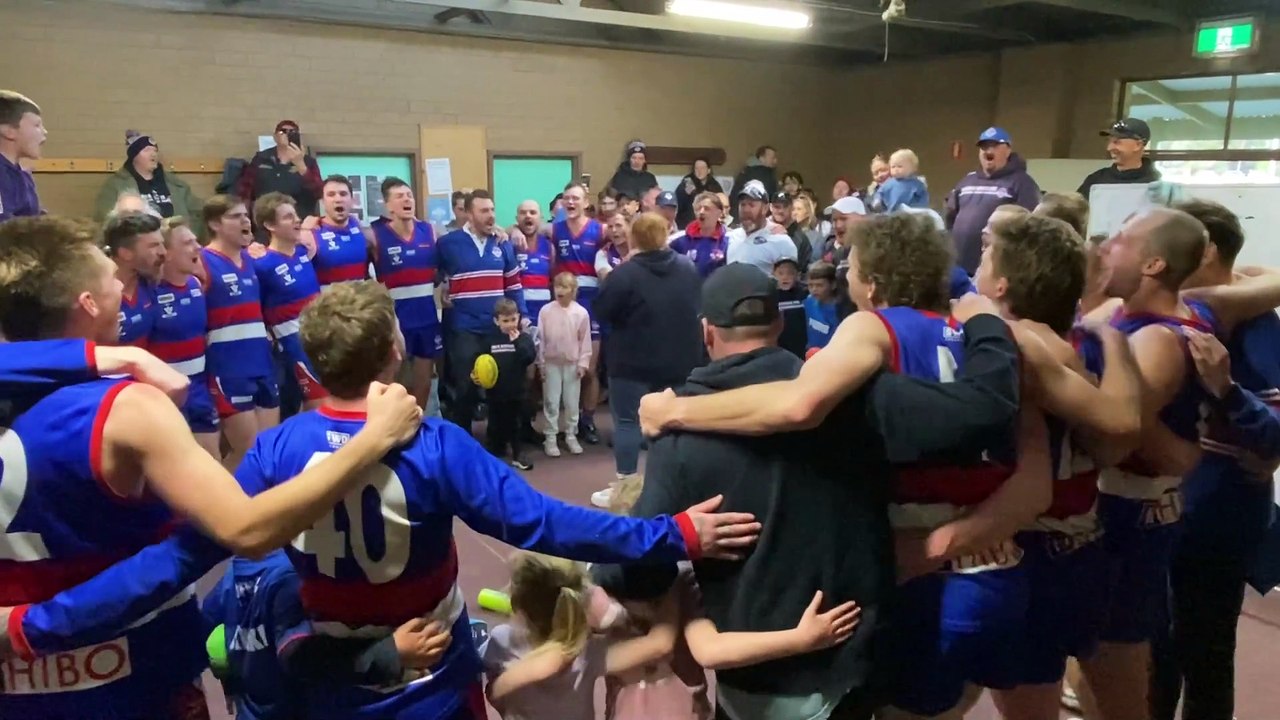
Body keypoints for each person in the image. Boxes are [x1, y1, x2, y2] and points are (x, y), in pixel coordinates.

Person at [233, 279, 762, 719]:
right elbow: (546, 524)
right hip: (433, 667)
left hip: (330, 667)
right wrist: (675, 534)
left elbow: (237, 539)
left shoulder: (273, 447)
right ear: (395, 351)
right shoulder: (433, 445)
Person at [0, 215, 424, 719]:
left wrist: (93, 357)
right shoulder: (127, 408)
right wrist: (374, 438)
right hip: (135, 679)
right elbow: (245, 529)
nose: (121, 281)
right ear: (88, 304)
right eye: (109, 276)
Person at [617, 262, 1027, 720]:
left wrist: (679, 559)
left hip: (759, 680)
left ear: (707, 332)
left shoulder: (679, 431)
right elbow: (975, 420)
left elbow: (635, 571)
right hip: (857, 657)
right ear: (778, 323)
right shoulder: (855, 396)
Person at [1150, 199, 1280, 720]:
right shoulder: (1175, 311)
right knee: (1153, 650)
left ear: (1204, 249)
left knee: (1204, 651)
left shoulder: (1257, 325)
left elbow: (1274, 433)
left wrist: (1227, 393)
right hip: (1164, 506)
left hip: (1219, 511)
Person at [202, 549, 452, 720]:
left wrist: (232, 677)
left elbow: (212, 636)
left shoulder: (233, 573)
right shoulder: (291, 576)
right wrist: (391, 653)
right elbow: (298, 658)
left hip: (250, 711)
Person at [593, 213, 703, 504]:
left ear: (634, 238)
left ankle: (625, 490)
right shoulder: (688, 267)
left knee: (628, 423)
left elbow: (603, 311)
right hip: (679, 362)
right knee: (671, 424)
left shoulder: (625, 273)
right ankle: (668, 487)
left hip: (631, 363)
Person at [199, 194, 281, 470]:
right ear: (214, 224)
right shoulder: (202, 262)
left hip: (261, 362)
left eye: (246, 215)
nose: (245, 220)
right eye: (236, 216)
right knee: (246, 450)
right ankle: (224, 506)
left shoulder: (252, 259)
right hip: (228, 370)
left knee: (267, 449)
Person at [438, 189, 527, 432]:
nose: (490, 215)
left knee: (499, 387)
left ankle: (497, 443)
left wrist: (524, 316)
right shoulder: (447, 244)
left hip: (496, 328)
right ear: (468, 213)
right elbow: (435, 276)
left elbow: (514, 283)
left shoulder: (502, 242)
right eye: (483, 210)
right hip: (464, 327)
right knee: (465, 388)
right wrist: (443, 287)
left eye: (492, 210)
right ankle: (462, 441)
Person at [149, 216, 220, 457]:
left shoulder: (195, 285)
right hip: (164, 392)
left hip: (199, 387)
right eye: (188, 243)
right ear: (166, 252)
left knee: (212, 461)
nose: (198, 246)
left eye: (196, 240)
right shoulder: (148, 292)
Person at [371, 177, 442, 411]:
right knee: (390, 383)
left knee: (423, 384)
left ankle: (416, 428)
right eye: (399, 196)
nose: (407, 199)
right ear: (387, 205)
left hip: (427, 319)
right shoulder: (374, 235)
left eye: (409, 195)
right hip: (395, 320)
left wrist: (504, 231)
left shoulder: (429, 231)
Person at [252, 191, 328, 409]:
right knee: (316, 408)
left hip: (319, 339)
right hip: (291, 347)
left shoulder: (303, 252)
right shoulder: (262, 264)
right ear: (269, 225)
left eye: (295, 215)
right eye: (287, 217)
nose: (296, 220)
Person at [549, 183, 604, 444]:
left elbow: (624, 234)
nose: (571, 202)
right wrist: (514, 230)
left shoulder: (598, 229)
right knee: (559, 364)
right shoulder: (554, 228)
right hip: (563, 302)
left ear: (585, 202)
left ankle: (587, 420)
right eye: (567, 198)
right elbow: (527, 228)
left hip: (592, 302)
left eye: (576, 198)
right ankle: (559, 423)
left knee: (589, 367)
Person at [944, 127, 1041, 275]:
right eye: (983, 147)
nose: (988, 150)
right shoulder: (967, 180)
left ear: (1008, 150)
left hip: (994, 270)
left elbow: (1028, 225)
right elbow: (950, 215)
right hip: (959, 266)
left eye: (994, 145)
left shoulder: (1022, 182)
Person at [94, 131, 202, 225]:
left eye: (155, 150)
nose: (153, 154)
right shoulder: (116, 184)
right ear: (134, 156)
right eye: (147, 150)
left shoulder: (176, 184)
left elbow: (196, 214)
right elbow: (105, 218)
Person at [538, 272, 592, 458]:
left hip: (572, 364)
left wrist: (583, 363)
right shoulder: (545, 311)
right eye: (557, 286)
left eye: (565, 287)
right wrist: (541, 364)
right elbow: (541, 340)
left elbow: (585, 340)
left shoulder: (581, 313)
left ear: (573, 290)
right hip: (551, 363)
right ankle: (550, 437)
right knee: (551, 401)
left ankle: (571, 435)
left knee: (571, 402)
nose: (559, 290)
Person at [481, 298, 537, 471]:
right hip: (495, 391)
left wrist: (518, 342)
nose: (510, 324)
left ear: (519, 317)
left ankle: (518, 454)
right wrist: (477, 375)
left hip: (517, 391)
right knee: (495, 423)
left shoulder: (524, 338)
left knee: (516, 424)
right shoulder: (490, 340)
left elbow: (529, 357)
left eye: (513, 319)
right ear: (496, 321)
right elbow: (481, 360)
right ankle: (494, 450)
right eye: (505, 321)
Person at [236, 119, 324, 221]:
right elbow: (245, 192)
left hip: (298, 220)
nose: (287, 134)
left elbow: (319, 192)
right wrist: (244, 219)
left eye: (292, 132)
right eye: (283, 131)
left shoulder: (308, 162)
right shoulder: (261, 158)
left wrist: (301, 165)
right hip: (265, 220)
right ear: (275, 136)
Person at [103, 211, 164, 347]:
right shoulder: (99, 294)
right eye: (153, 246)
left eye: (162, 244)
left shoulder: (149, 282)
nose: (163, 252)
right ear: (126, 253)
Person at [308, 175, 371, 285]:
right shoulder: (311, 232)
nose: (338, 199)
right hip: (328, 301)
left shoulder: (359, 227)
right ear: (323, 202)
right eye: (331, 195)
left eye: (343, 194)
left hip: (360, 300)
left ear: (352, 200)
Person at [1077, 118, 1161, 201]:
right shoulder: (1096, 180)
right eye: (1109, 141)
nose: (1109, 148)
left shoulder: (1157, 184)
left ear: (1138, 145)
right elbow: (1076, 211)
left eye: (1117, 142)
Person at [726, 180, 797, 276]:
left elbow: (789, 283)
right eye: (743, 204)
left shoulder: (781, 241)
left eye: (751, 205)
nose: (746, 210)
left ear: (765, 208)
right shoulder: (729, 237)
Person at [0, 90, 45, 222]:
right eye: (37, 125)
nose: (44, 131)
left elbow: (36, 218)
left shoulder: (23, 174)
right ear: (9, 131)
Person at [669, 192, 729, 280]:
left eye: (707, 209)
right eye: (698, 209)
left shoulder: (728, 241)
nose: (701, 212)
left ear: (719, 213)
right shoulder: (680, 241)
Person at [514, 199, 553, 326]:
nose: (528, 216)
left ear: (541, 218)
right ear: (517, 218)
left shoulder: (549, 246)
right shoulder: (508, 245)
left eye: (532, 212)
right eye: (523, 212)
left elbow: (553, 279)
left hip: (544, 312)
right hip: (517, 313)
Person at [770, 191, 813, 272]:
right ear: (771, 207)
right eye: (777, 207)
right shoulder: (763, 232)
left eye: (785, 206)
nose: (781, 211)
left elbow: (805, 270)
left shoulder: (801, 238)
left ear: (791, 208)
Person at [675, 157, 723, 229]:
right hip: (687, 223)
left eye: (702, 168)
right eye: (696, 168)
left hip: (709, 223)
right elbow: (678, 204)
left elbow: (720, 202)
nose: (699, 171)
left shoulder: (714, 185)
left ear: (708, 170)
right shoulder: (687, 182)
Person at [773, 258, 807, 359]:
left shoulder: (804, 294)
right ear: (774, 274)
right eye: (781, 273)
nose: (785, 277)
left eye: (790, 273)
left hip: (801, 345)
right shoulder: (771, 296)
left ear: (798, 275)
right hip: (779, 347)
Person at [802, 261, 838, 353]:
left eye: (819, 285)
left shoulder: (840, 311)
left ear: (833, 285)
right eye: (810, 285)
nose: (814, 289)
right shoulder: (809, 301)